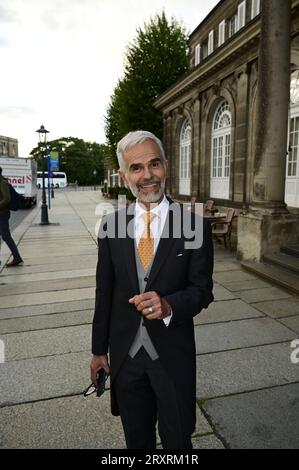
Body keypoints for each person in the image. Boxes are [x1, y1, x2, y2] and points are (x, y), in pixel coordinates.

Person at [90, 130, 214, 449]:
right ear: (123, 175)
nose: (148, 176)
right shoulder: (111, 226)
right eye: (136, 168)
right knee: (137, 442)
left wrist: (170, 305)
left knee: (176, 441)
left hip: (172, 356)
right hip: (126, 358)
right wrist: (98, 351)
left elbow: (202, 290)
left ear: (166, 166)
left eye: (154, 164)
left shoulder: (195, 225)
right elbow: (104, 294)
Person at [0, 167, 23, 267]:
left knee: (6, 236)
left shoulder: (2, 183)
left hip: (3, 214)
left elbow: (7, 199)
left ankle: (17, 257)